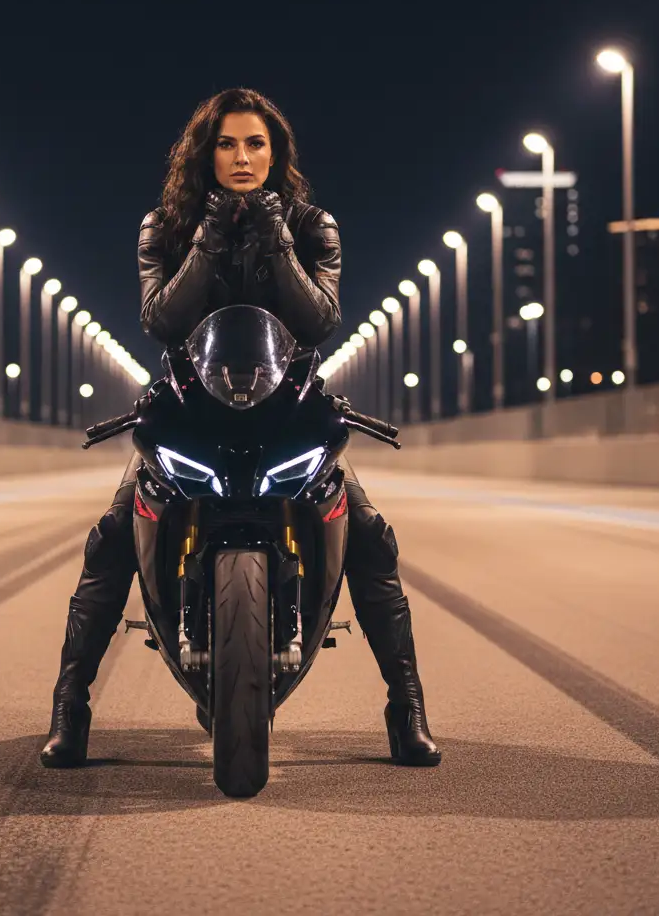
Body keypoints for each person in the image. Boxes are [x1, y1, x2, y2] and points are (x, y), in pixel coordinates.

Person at [41, 87, 441, 769]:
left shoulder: (315, 227)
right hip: (188, 406)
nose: (242, 156)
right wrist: (207, 235)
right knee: (111, 539)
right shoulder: (163, 228)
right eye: (227, 143)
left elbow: (318, 322)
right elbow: (162, 321)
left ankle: (407, 710)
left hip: (289, 406)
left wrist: (274, 235)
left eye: (256, 143)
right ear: (206, 152)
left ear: (276, 152)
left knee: (371, 537)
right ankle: (69, 709)